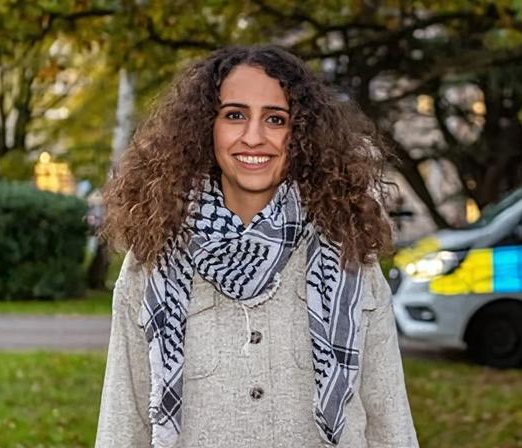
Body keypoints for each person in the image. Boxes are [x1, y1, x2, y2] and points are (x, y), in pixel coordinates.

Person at [95, 45, 418, 448]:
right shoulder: (153, 261)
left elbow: (390, 424)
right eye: (234, 115)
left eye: (276, 119)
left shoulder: (350, 256)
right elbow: (123, 425)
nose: (254, 137)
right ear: (204, 127)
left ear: (299, 133)